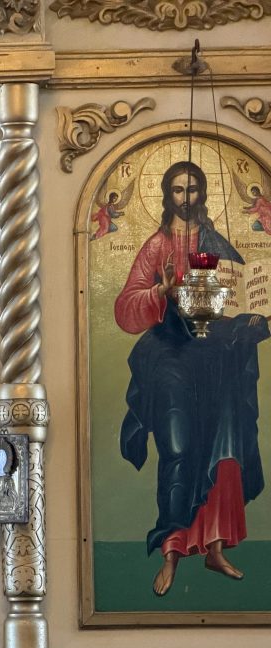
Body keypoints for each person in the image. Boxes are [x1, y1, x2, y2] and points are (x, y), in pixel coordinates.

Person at [115, 160, 269, 596]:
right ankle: (171, 553)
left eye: (194, 189)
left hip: (217, 354)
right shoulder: (156, 246)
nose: (186, 198)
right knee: (179, 449)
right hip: (172, 354)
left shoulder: (216, 242)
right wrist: (160, 291)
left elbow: (239, 294)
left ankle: (215, 548)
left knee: (224, 448)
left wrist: (255, 315)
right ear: (168, 195)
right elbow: (126, 308)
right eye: (179, 190)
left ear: (203, 194)